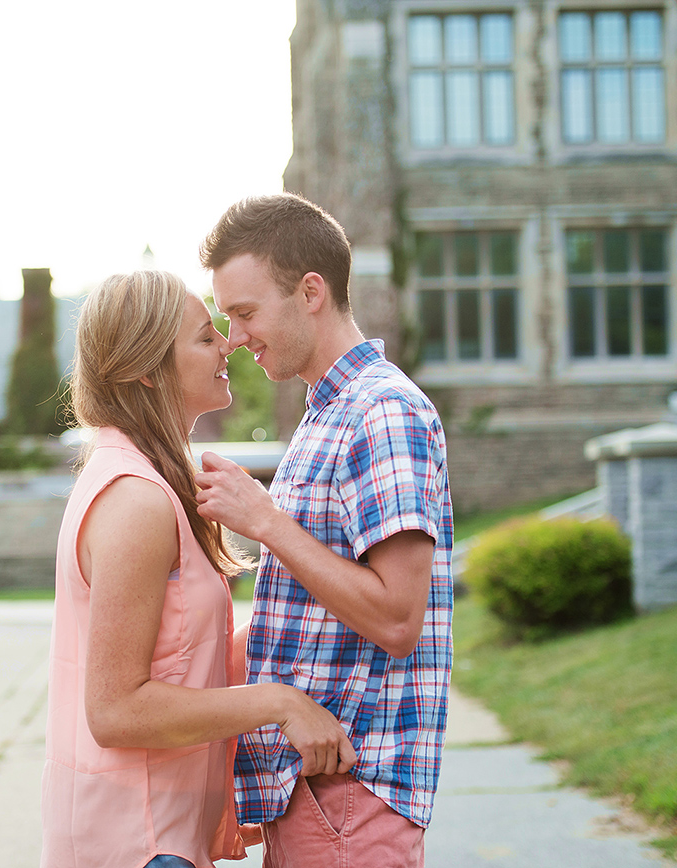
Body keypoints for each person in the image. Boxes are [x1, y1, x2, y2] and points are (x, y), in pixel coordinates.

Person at [41, 270, 357, 868]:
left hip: (158, 837)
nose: (228, 345)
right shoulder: (135, 500)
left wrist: (320, 608)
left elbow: (182, 654)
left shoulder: (149, 480)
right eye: (205, 336)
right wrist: (281, 702)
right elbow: (116, 710)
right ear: (145, 365)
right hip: (136, 842)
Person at [194, 194, 454, 868]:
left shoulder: (383, 413)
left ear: (311, 292)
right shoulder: (327, 413)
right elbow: (304, 616)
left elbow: (397, 619)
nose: (236, 337)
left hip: (349, 800)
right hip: (316, 799)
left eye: (246, 313)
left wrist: (264, 522)